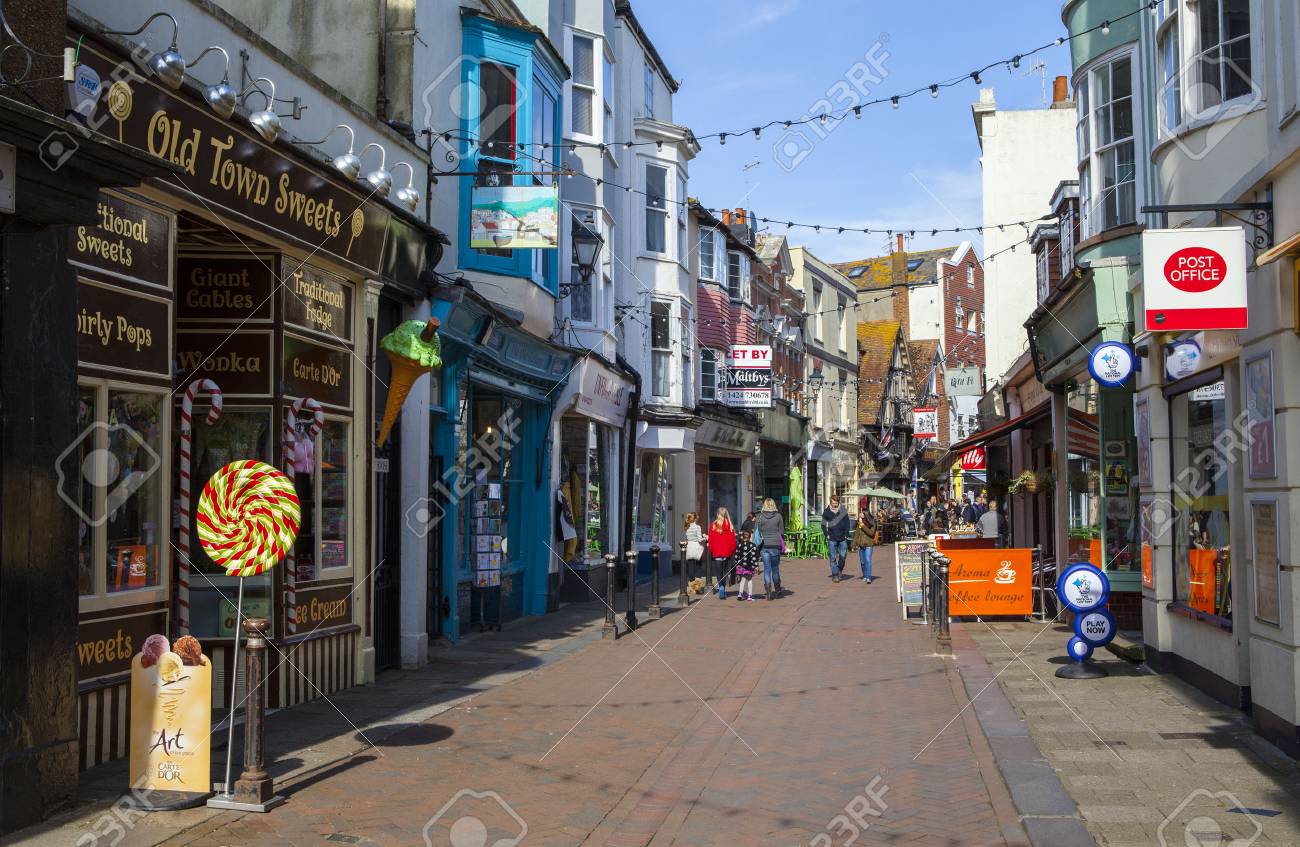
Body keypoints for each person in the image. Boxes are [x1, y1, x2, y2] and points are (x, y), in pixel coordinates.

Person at [755, 498, 785, 597]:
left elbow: (757, 532)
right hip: (775, 545)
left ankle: (768, 590)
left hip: (764, 546)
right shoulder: (778, 516)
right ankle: (777, 589)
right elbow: (781, 532)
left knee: (767, 569)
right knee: (775, 568)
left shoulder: (759, 517)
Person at [822, 495, 851, 582]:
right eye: (833, 503)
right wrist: (827, 535)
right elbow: (823, 525)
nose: (834, 505)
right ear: (830, 502)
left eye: (836, 503)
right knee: (833, 558)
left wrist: (846, 534)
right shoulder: (826, 512)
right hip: (832, 538)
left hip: (842, 538)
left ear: (838, 502)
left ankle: (839, 569)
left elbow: (847, 523)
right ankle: (835, 575)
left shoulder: (843, 511)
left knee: (843, 557)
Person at [707, 508, 736, 585]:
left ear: (718, 514)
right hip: (727, 552)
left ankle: (721, 587)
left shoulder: (713, 525)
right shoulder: (729, 525)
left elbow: (711, 540)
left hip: (717, 552)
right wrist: (732, 550)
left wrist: (711, 549)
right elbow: (732, 540)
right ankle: (723, 585)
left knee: (718, 571)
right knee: (725, 570)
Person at [733, 530, 761, 601]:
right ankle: (750, 596)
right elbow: (754, 557)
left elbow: (736, 555)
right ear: (750, 536)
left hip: (741, 566)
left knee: (742, 580)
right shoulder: (752, 545)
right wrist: (756, 566)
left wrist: (736, 563)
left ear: (742, 536)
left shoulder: (739, 545)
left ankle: (740, 594)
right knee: (750, 580)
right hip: (749, 566)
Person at [852, 510, 877, 582]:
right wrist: (853, 545)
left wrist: (863, 525)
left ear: (866, 515)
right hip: (861, 545)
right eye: (860, 512)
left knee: (868, 560)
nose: (860, 514)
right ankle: (865, 575)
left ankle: (868, 577)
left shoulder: (872, 523)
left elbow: (871, 533)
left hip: (868, 544)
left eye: (862, 513)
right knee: (862, 562)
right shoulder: (859, 523)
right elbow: (856, 534)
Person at [684, 513, 705, 581]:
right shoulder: (697, 527)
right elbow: (699, 539)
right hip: (696, 547)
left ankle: (691, 583)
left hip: (689, 546)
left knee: (691, 566)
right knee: (699, 565)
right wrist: (705, 538)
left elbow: (688, 538)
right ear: (695, 519)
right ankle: (698, 584)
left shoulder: (687, 526)